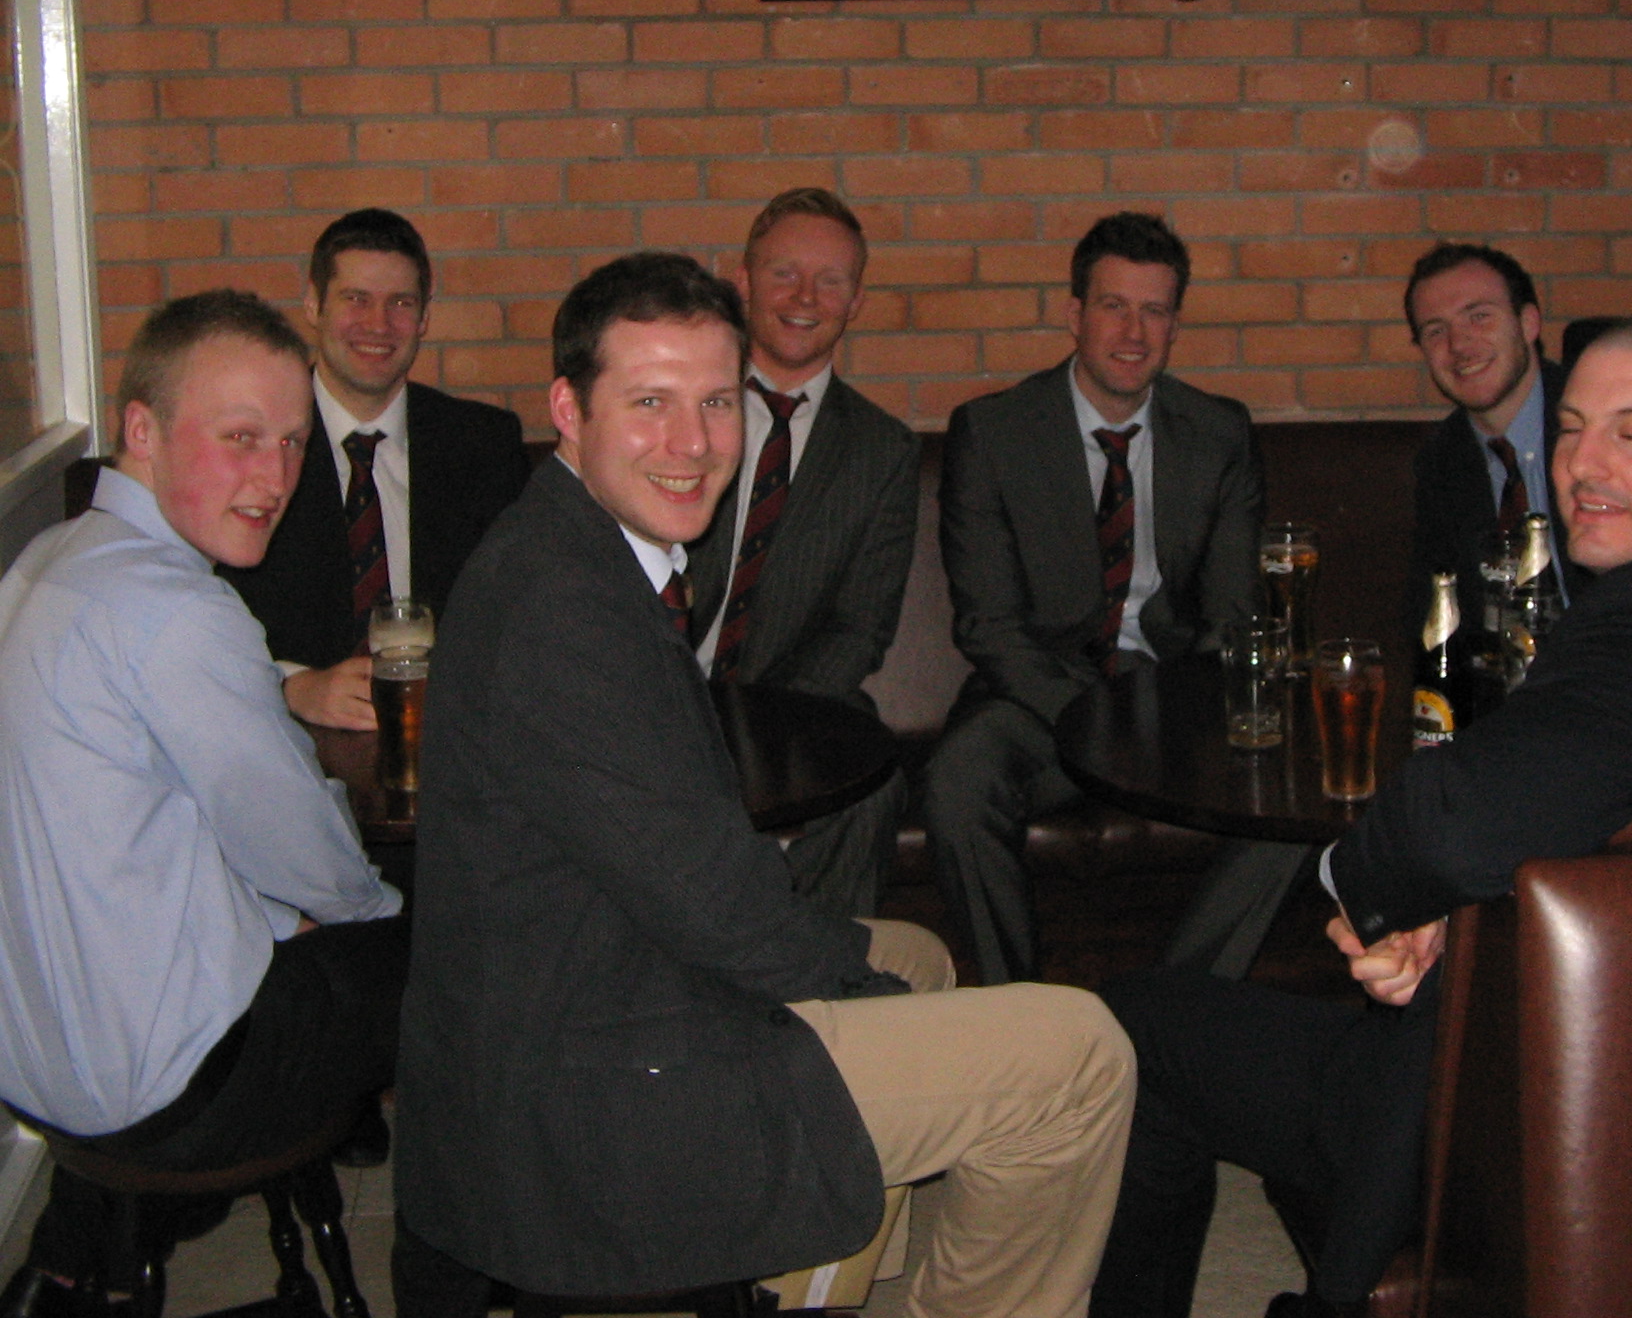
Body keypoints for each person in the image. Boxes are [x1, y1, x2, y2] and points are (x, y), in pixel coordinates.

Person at [393, 253, 1133, 1317]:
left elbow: (688, 874)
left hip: (600, 987)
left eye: (714, 403)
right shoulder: (562, 609)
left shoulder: (579, 546)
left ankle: (804, 1291)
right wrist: (861, 1000)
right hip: (595, 1082)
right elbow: (713, 905)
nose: (691, 444)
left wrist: (863, 984)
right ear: (567, 410)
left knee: (917, 956)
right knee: (1079, 1056)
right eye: (649, 403)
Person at [1088, 313, 1632, 1318]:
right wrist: (1448, 907)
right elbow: (1570, 810)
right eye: (1571, 428)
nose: (1582, 464)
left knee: (1137, 1026)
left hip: (1516, 1103)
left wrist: (1362, 883)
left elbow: (1454, 825)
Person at [0, 293, 404, 1318]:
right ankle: (479, 1251)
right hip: (166, 1095)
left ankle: (73, 1257)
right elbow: (310, 860)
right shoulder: (182, 610)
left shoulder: (46, 562)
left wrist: (281, 915)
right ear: (142, 429)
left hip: (38, 1068)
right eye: (240, 438)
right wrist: (364, 921)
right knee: (456, 939)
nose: (274, 477)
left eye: (292, 442)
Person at [923, 211, 1301, 987]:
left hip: (1174, 700)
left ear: (1175, 325)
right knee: (958, 780)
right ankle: (1016, 1011)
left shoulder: (1219, 434)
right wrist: (1097, 717)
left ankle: (1177, 1003)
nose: (1134, 332)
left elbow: (1232, 616)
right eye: (1113, 306)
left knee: (1301, 786)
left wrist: (1169, 712)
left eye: (1154, 310)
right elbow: (989, 627)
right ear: (1075, 315)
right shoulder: (994, 432)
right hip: (1039, 701)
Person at [686, 188, 920, 918]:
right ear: (743, 282)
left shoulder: (883, 451)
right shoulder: (680, 413)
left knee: (870, 784)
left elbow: (860, 629)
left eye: (830, 280)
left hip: (791, 706)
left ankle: (820, 971)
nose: (805, 297)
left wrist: (755, 723)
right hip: (659, 693)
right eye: (784, 273)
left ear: (856, 302)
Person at [219, 208, 529, 734]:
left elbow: (522, 610)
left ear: (425, 317)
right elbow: (209, 612)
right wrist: (291, 686)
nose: (378, 325)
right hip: (288, 739)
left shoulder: (484, 445)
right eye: (356, 299)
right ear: (313, 304)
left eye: (401, 303)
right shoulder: (253, 447)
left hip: (452, 738)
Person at [1404, 242, 1588, 641]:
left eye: (1479, 317)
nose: (1458, 345)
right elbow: (1437, 623)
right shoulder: (1440, 461)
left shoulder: (1597, 428)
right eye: (1436, 331)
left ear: (1528, 324)